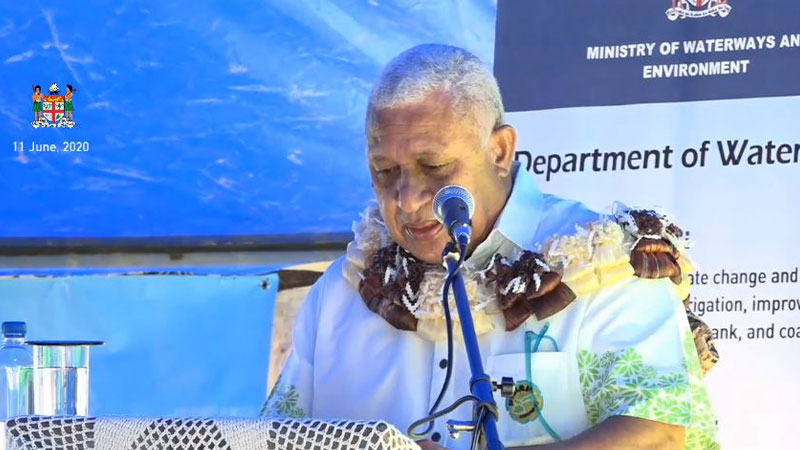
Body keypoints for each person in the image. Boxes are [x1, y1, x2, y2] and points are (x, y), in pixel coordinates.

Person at [262, 44, 719, 450]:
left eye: (434, 166)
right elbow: (272, 437)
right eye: (385, 172)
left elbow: (660, 435)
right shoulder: (341, 294)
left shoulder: (602, 265)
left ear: (500, 151)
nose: (408, 200)